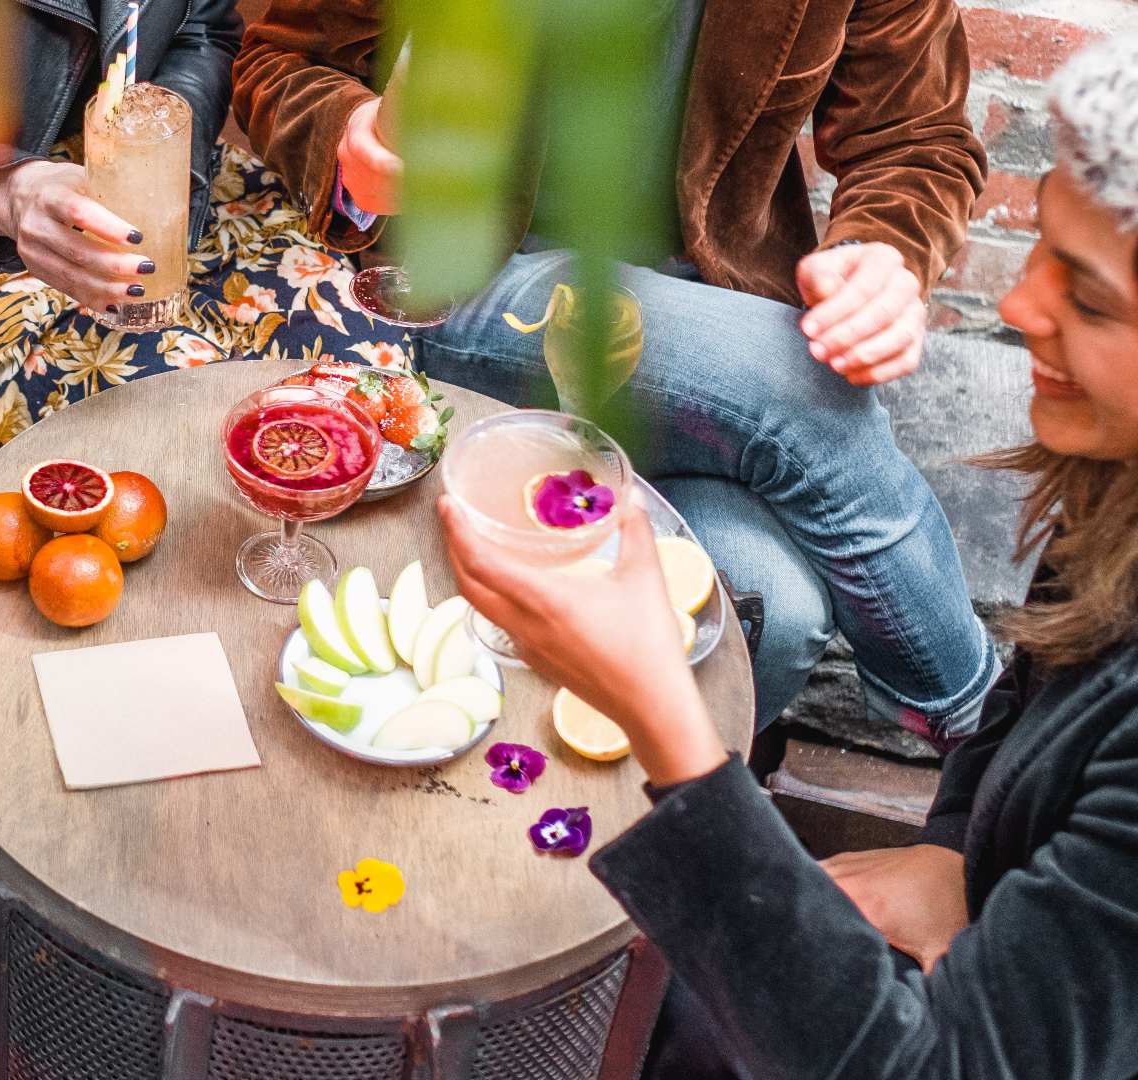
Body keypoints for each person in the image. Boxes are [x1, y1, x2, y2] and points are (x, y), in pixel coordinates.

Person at [440, 35, 1138, 1078]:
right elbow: (1035, 698)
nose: (1015, 306)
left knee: (772, 593)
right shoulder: (1114, 494)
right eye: (1038, 250)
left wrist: (667, 720)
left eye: (1087, 299)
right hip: (462, 276)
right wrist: (956, 849)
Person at [232, 0, 1000, 736]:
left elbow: (916, 137)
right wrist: (347, 135)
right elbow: (282, 61)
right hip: (478, 281)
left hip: (709, 310)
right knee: (797, 389)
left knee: (775, 606)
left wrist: (886, 249)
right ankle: (981, 739)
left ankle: (619, 842)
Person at [0, 0, 413, 472]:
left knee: (343, 333)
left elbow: (205, 33)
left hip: (125, 153)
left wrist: (166, 166)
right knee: (164, 405)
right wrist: (6, 191)